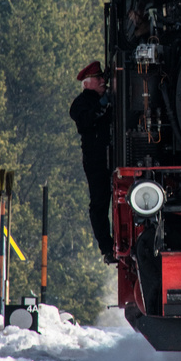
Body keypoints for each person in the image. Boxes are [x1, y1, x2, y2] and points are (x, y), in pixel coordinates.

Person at [70, 60, 113, 263]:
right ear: (87, 83)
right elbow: (86, 119)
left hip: (109, 157)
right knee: (99, 203)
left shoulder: (107, 100)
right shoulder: (80, 104)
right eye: (99, 78)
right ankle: (106, 245)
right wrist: (101, 107)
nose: (103, 81)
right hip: (96, 160)